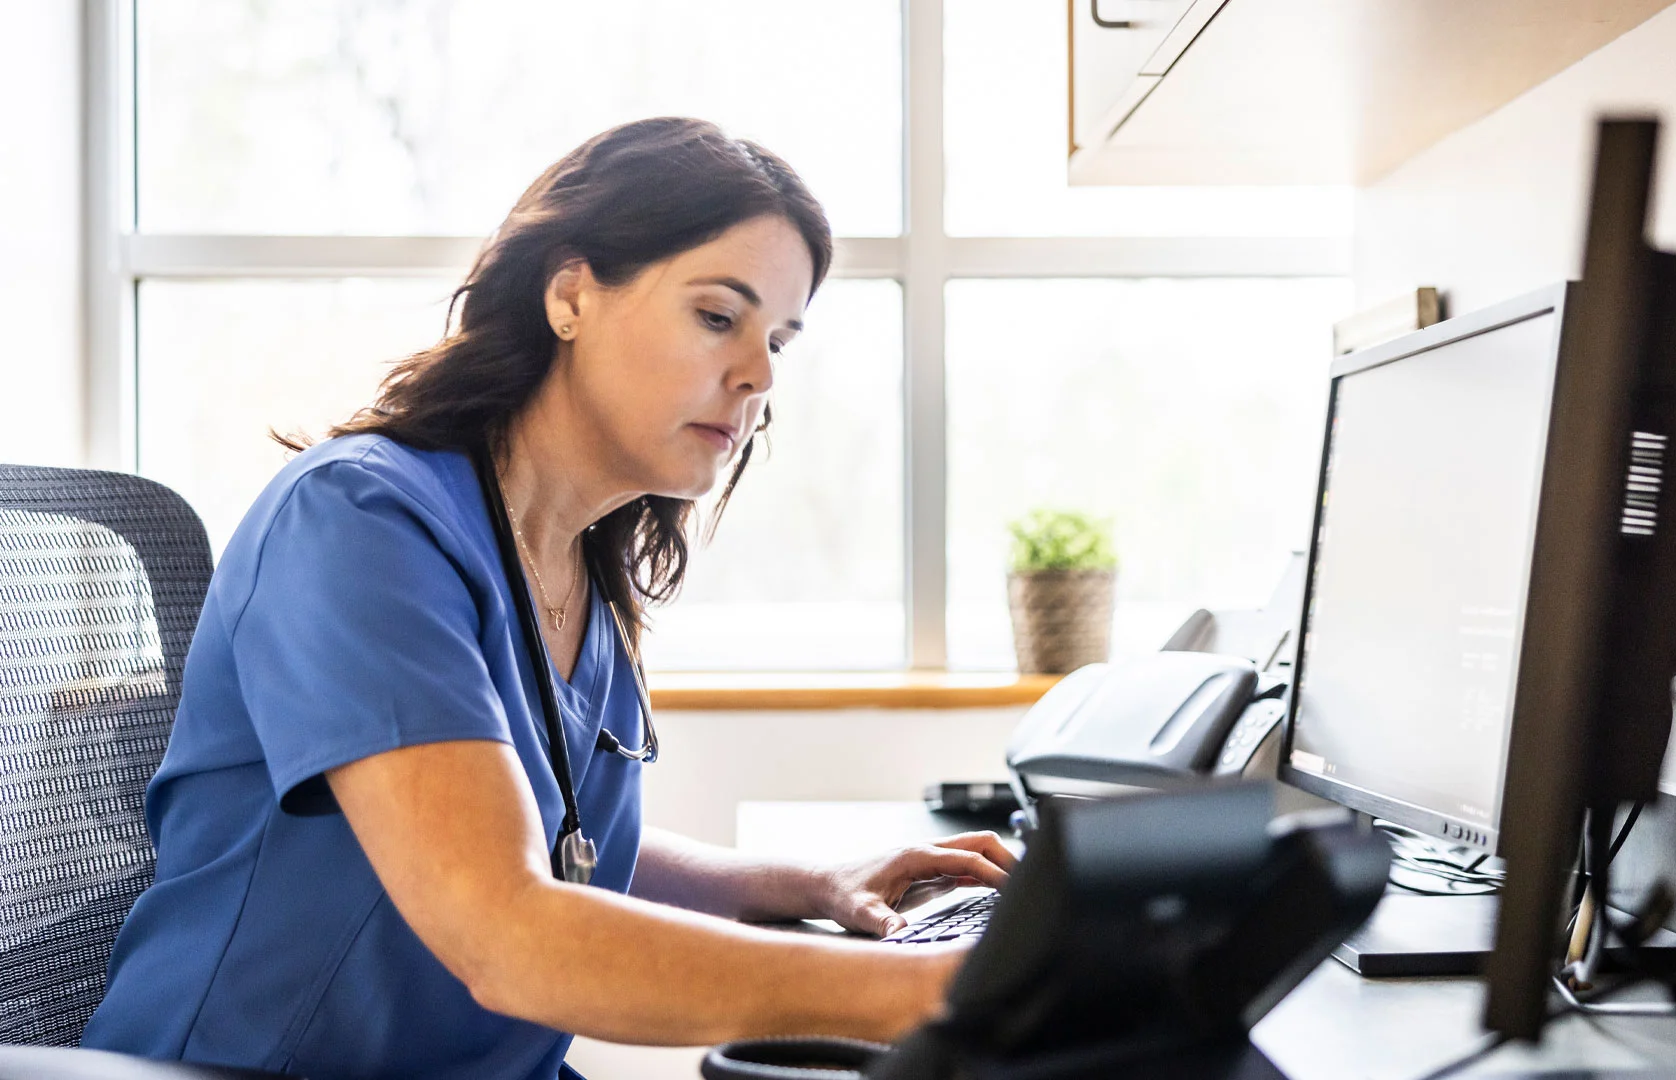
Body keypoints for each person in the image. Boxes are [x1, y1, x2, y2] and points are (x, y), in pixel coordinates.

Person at [82, 117, 1016, 1079]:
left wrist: (806, 882)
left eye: (778, 338)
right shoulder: (357, 522)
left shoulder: (578, 573)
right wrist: (941, 989)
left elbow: (556, 842)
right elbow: (506, 930)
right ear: (570, 294)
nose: (760, 374)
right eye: (716, 316)